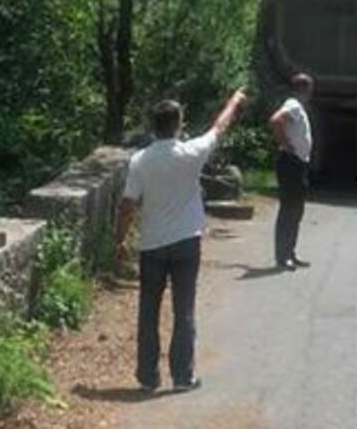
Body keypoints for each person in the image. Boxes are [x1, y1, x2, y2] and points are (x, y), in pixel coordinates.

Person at [115, 89, 247, 393]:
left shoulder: (140, 160)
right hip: (187, 241)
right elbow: (219, 127)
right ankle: (182, 376)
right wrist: (234, 102)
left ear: (153, 126)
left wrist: (119, 240)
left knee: (149, 311)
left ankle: (148, 376)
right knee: (183, 309)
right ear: (178, 124)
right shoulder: (191, 153)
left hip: (152, 244)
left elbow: (127, 204)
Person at [269, 73, 314, 271]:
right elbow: (275, 120)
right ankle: (282, 256)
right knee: (289, 210)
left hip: (297, 163)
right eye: (309, 88)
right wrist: (286, 144)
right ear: (304, 89)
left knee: (296, 210)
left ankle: (290, 252)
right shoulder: (293, 104)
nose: (311, 93)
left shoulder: (297, 106)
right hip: (290, 161)